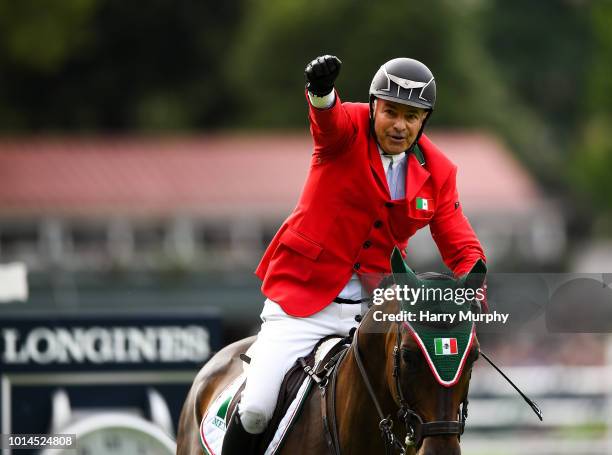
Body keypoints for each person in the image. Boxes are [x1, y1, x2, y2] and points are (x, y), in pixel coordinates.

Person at [222, 55, 486, 454]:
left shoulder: (440, 172)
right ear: (373, 107)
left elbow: (461, 243)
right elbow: (326, 121)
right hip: (303, 303)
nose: (400, 125)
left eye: (412, 116)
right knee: (257, 408)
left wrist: (472, 293)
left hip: (373, 310)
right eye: (391, 112)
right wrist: (321, 93)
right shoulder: (345, 132)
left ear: (424, 120)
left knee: (412, 405)